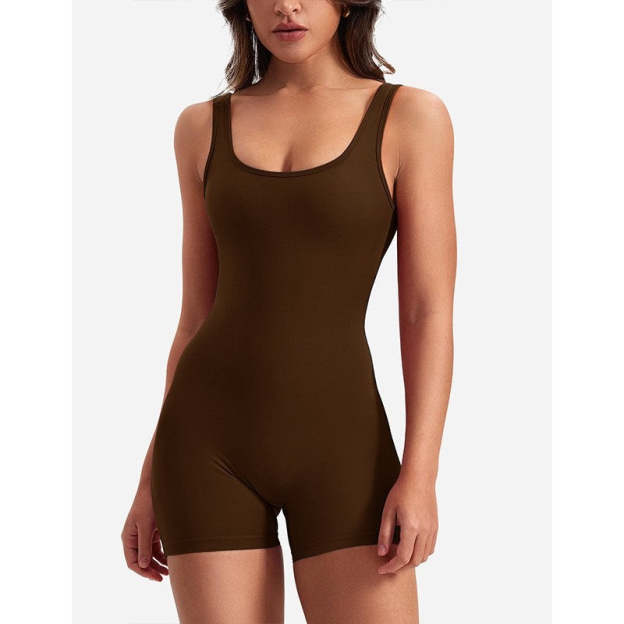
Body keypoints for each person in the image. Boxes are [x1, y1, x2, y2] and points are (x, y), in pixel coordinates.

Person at [121, 1, 456, 621]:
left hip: (344, 448)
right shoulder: (201, 126)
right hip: (204, 447)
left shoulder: (410, 117)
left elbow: (425, 311)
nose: (285, 6)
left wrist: (421, 474)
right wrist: (149, 481)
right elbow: (195, 317)